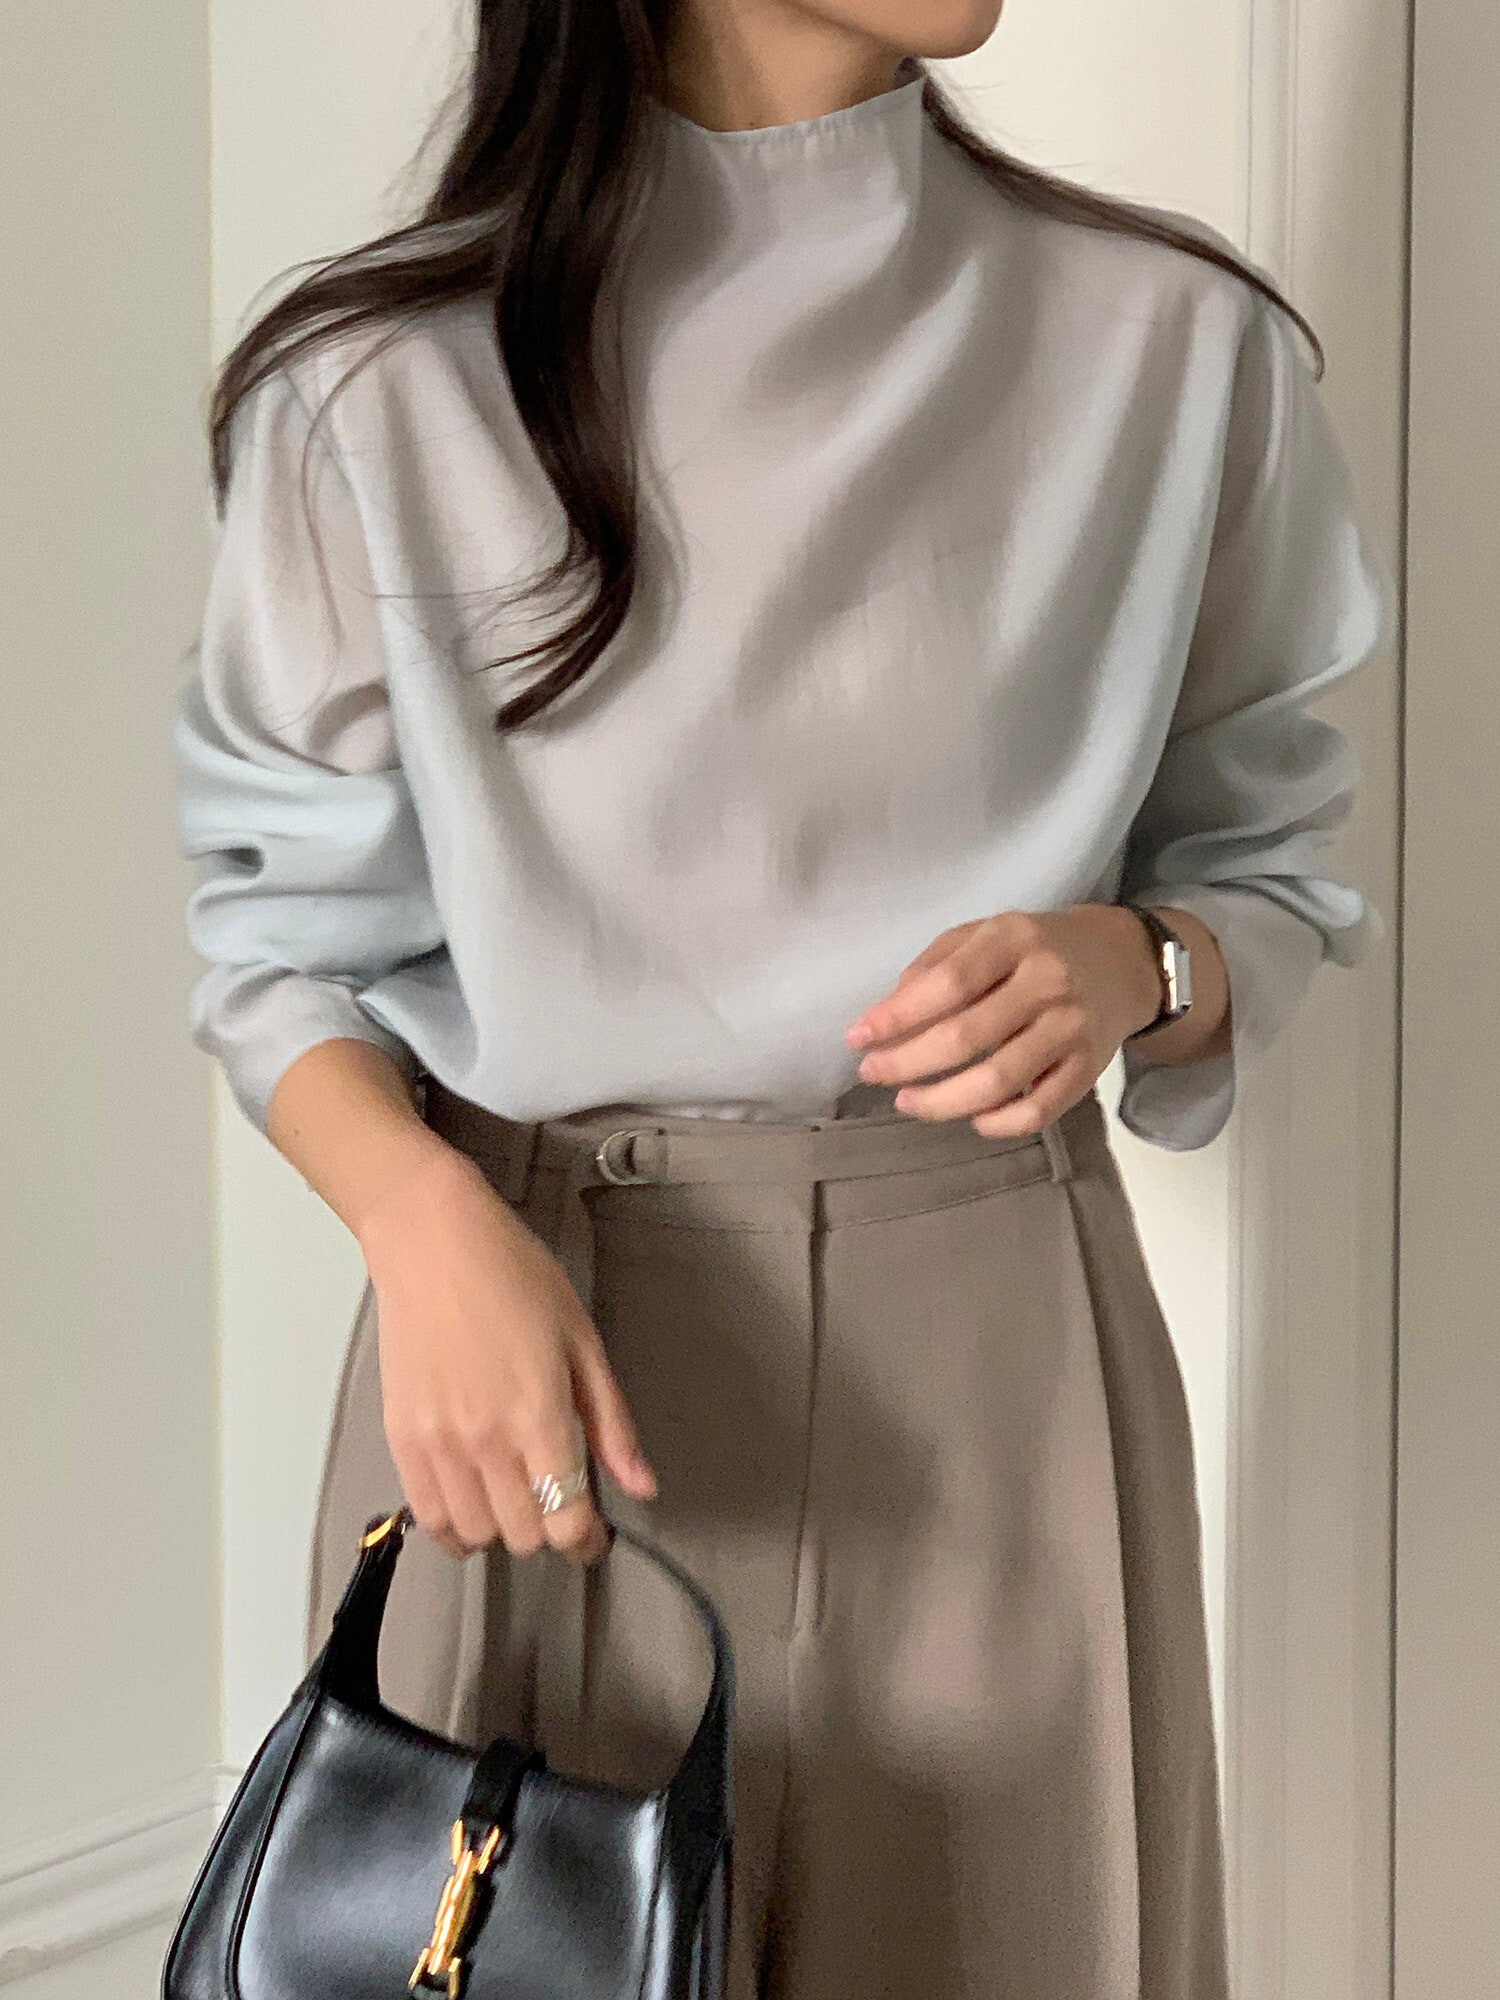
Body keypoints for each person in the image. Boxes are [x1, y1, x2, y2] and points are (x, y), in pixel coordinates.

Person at [170, 4, 1393, 1995]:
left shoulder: (1175, 345)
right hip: (533, 1356)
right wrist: (416, 1219)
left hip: (999, 1364)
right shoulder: (380, 382)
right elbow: (277, 943)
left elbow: (1267, 866)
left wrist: (1141, 964)